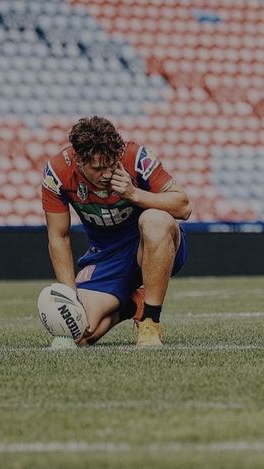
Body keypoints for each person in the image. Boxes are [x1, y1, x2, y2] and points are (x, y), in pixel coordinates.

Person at [41, 116, 191, 347]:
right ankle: (134, 304)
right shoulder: (57, 172)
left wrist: (134, 194)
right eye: (99, 169)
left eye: (111, 165)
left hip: (152, 246)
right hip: (107, 257)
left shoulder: (136, 157)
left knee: (155, 219)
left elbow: (183, 206)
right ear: (79, 160)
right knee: (80, 333)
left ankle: (151, 320)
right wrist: (70, 296)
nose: (108, 174)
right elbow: (58, 237)